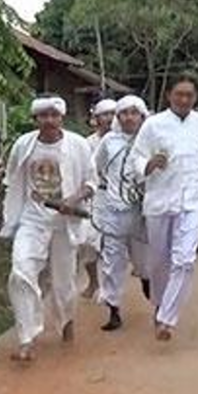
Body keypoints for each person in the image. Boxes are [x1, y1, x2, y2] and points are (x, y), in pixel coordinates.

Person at [128, 72, 198, 341]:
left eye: (189, 95)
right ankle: (160, 302)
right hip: (160, 199)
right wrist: (148, 165)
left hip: (194, 199)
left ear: (196, 97)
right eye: (179, 94)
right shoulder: (153, 125)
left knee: (184, 259)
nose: (184, 99)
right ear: (169, 95)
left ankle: (166, 318)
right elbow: (137, 156)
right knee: (159, 261)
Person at [2, 95, 94, 362]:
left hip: (65, 224)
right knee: (20, 272)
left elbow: (91, 182)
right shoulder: (23, 145)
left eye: (54, 115)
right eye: (43, 116)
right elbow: (12, 180)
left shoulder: (77, 145)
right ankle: (26, 337)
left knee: (63, 282)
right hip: (32, 219)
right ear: (35, 119)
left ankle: (66, 322)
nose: (49, 120)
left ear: (61, 117)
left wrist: (73, 199)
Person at [92, 95, 149, 331]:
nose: (129, 117)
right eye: (124, 113)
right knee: (112, 262)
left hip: (143, 212)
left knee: (144, 262)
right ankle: (113, 309)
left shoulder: (151, 140)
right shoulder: (109, 142)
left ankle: (151, 290)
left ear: (142, 116)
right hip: (114, 211)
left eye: (134, 112)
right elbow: (97, 166)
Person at [80, 98, 117, 299]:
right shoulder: (87, 144)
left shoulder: (126, 141)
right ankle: (93, 282)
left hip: (118, 197)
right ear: (97, 118)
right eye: (105, 114)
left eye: (113, 113)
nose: (109, 118)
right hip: (94, 196)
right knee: (88, 240)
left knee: (111, 244)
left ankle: (110, 286)